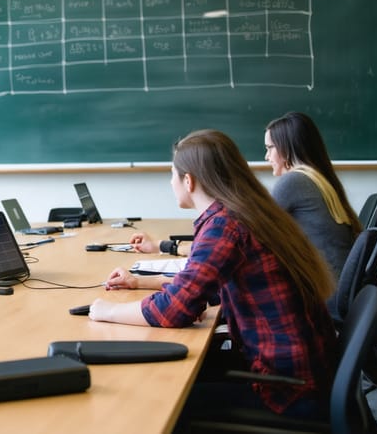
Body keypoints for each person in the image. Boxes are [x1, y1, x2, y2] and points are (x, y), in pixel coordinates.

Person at [93, 129, 337, 421]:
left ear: (188, 180)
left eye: (172, 175)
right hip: (305, 376)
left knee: (156, 401)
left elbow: (173, 311)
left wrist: (106, 311)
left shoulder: (224, 224)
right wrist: (146, 285)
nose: (170, 182)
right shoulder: (249, 211)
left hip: (287, 392)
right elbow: (210, 288)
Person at [265, 111, 362, 277]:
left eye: (269, 148)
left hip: (326, 292)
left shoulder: (293, 181)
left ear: (286, 147)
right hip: (339, 285)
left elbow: (259, 233)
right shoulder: (318, 178)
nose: (267, 157)